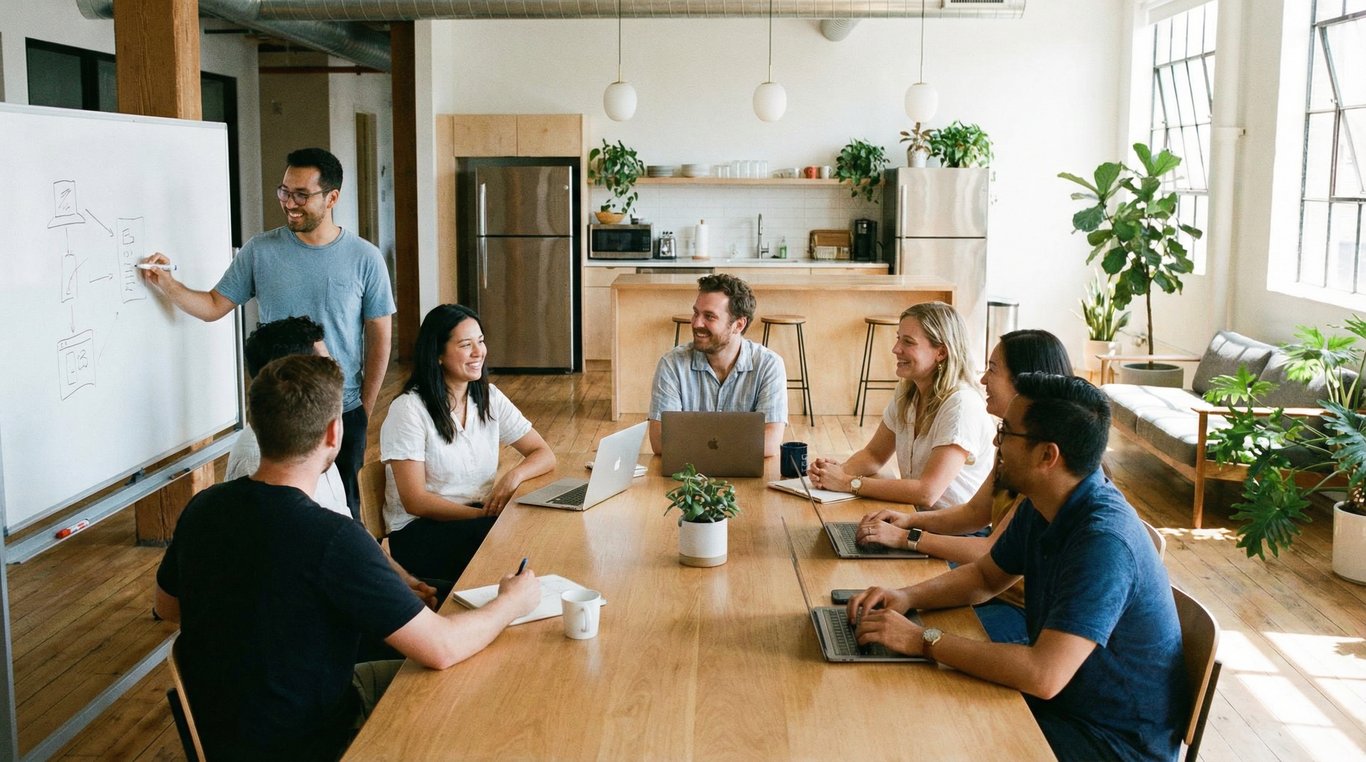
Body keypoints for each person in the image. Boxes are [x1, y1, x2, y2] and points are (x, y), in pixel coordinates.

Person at [154, 355, 539, 760]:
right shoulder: (332, 538)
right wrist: (510, 602)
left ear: (258, 426)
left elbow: (167, 607)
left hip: (228, 733)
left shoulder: (203, 508)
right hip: (316, 740)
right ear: (334, 434)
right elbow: (441, 648)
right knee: (478, 668)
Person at [848, 373, 1187, 761]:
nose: (996, 442)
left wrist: (922, 640)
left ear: (1048, 456)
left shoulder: (1103, 542)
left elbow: (1043, 675)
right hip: (1066, 705)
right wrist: (906, 596)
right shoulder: (1045, 500)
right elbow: (986, 576)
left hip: (1109, 741)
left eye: (1006, 431)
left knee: (926, 731)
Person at [141, 147, 393, 517]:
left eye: (301, 195)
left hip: (341, 409)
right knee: (274, 514)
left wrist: (363, 409)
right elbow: (214, 306)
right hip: (278, 409)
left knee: (343, 513)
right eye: (284, 192)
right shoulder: (260, 251)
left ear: (332, 197)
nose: (289, 203)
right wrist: (168, 285)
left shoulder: (365, 257)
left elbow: (379, 337)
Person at [854, 329, 1073, 644]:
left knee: (894, 626)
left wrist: (907, 537)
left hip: (1023, 612)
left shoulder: (1041, 462)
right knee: (883, 602)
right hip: (989, 586)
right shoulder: (1011, 439)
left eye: (993, 370)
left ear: (1025, 381)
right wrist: (910, 520)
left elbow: (989, 551)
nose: (983, 380)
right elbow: (975, 512)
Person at [380, 304, 556, 582]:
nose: (479, 352)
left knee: (537, 528)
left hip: (476, 516)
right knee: (515, 539)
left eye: (481, 341)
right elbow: (415, 501)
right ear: (437, 354)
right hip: (419, 531)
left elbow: (543, 453)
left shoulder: (488, 396)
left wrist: (513, 476)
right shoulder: (409, 409)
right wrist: (485, 518)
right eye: (465, 345)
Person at [807, 301, 993, 509]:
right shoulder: (908, 393)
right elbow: (874, 455)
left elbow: (926, 492)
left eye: (908, 342)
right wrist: (836, 472)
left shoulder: (961, 406)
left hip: (957, 535)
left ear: (941, 352)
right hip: (920, 519)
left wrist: (847, 482)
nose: (896, 349)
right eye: (898, 339)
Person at [647, 273, 788, 457]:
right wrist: (740, 444)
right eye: (696, 313)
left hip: (746, 477)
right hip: (689, 476)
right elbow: (660, 441)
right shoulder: (672, 365)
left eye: (709, 316)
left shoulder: (768, 365)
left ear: (738, 325)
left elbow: (769, 443)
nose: (697, 323)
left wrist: (690, 443)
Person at [226, 315, 347, 515]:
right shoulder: (256, 462)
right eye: (324, 364)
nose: (333, 368)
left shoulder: (311, 431)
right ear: (294, 376)